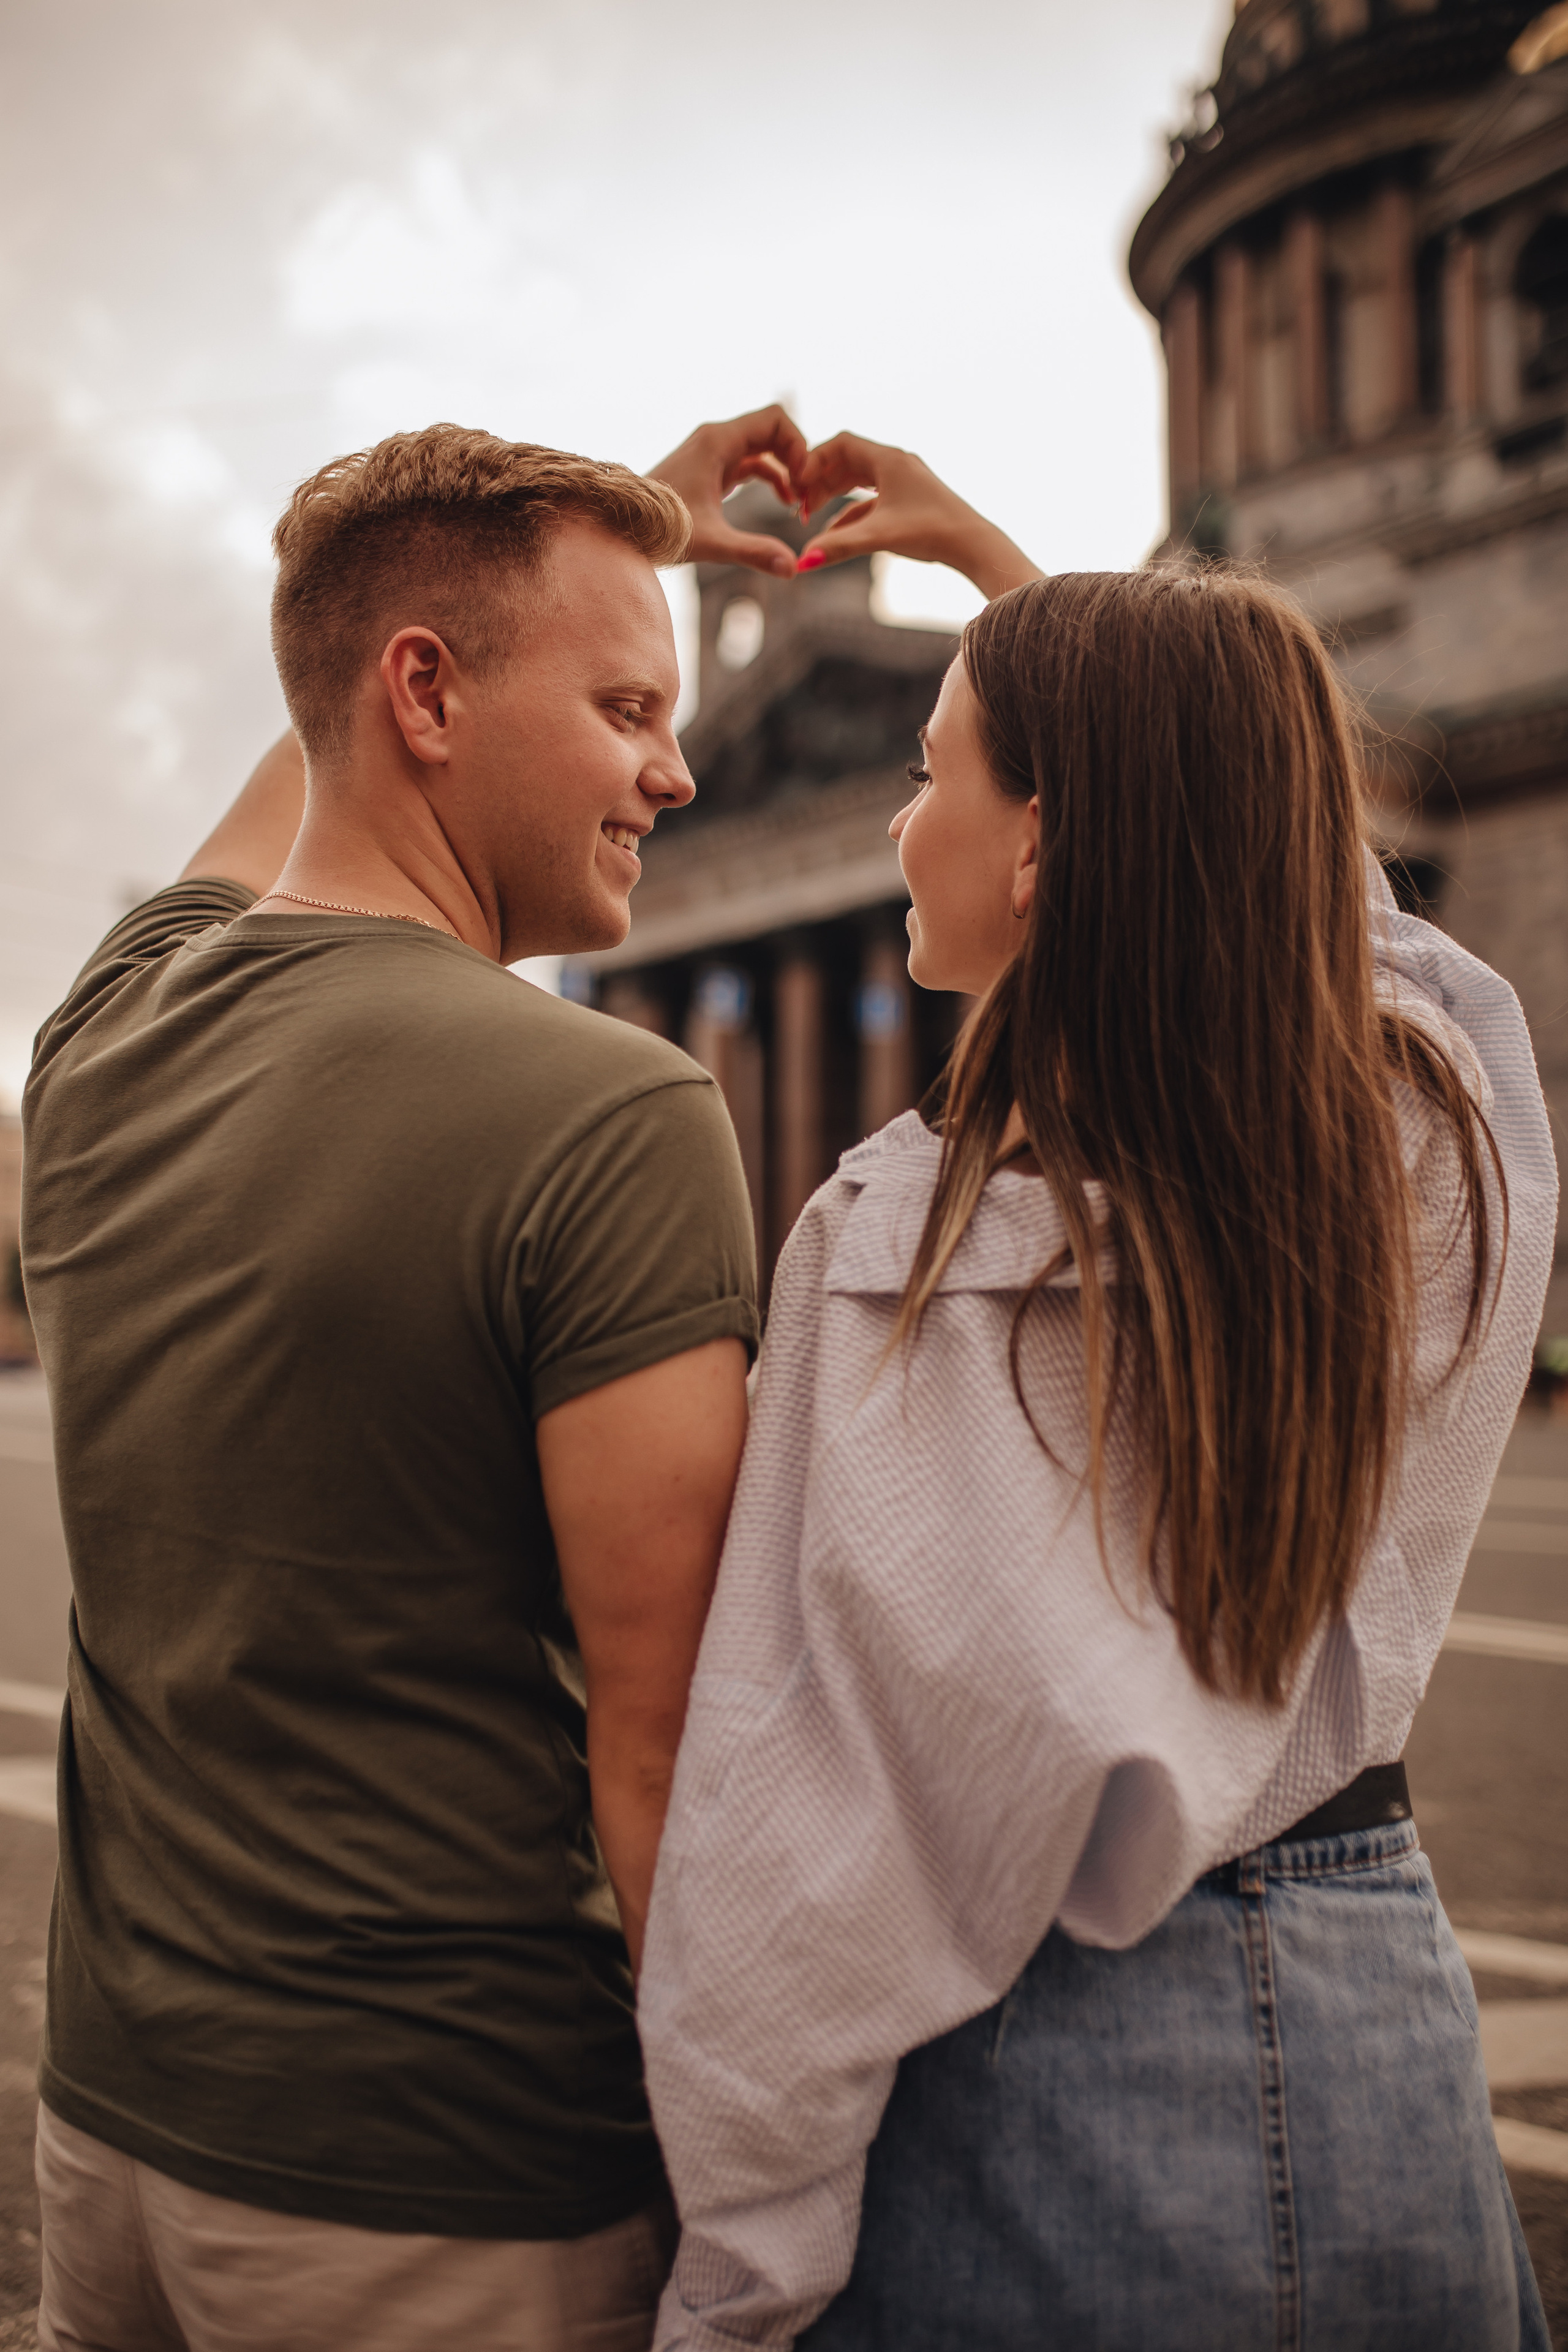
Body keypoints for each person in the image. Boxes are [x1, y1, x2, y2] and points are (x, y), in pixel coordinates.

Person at [637, 437, 1558, 2351]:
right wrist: (1016, 591)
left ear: (1044, 842)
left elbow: (808, 1849)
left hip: (1039, 2095)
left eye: (926, 771)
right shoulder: (1430, 1147)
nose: (899, 824)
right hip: (1377, 2022)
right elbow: (1318, 904)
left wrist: (739, 2283)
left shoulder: (894, 1250)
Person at [20, 405, 812, 2352]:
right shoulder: (610, 1111)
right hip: (448, 2188)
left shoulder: (100, 1034)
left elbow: (320, 737)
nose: (678, 767)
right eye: (630, 706)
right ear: (430, 698)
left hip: (113, 2135)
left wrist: (608, 542)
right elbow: (664, 1765)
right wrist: (780, 2199)